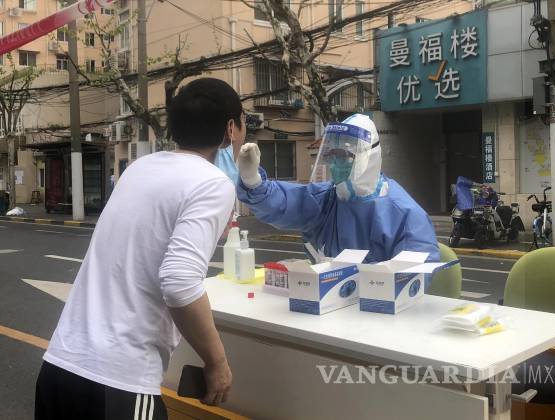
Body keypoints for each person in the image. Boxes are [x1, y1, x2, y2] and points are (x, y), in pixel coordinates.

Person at [35, 77, 246, 420]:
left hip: (60, 366)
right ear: (230, 129)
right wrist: (217, 362)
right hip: (118, 382)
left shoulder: (140, 168)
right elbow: (179, 282)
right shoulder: (213, 184)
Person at [236, 113, 439, 279]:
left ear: (369, 157)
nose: (334, 164)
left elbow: (415, 275)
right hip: (327, 301)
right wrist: (252, 180)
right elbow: (283, 204)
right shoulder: (328, 198)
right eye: (331, 155)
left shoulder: (405, 215)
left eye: (343, 156)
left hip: (379, 309)